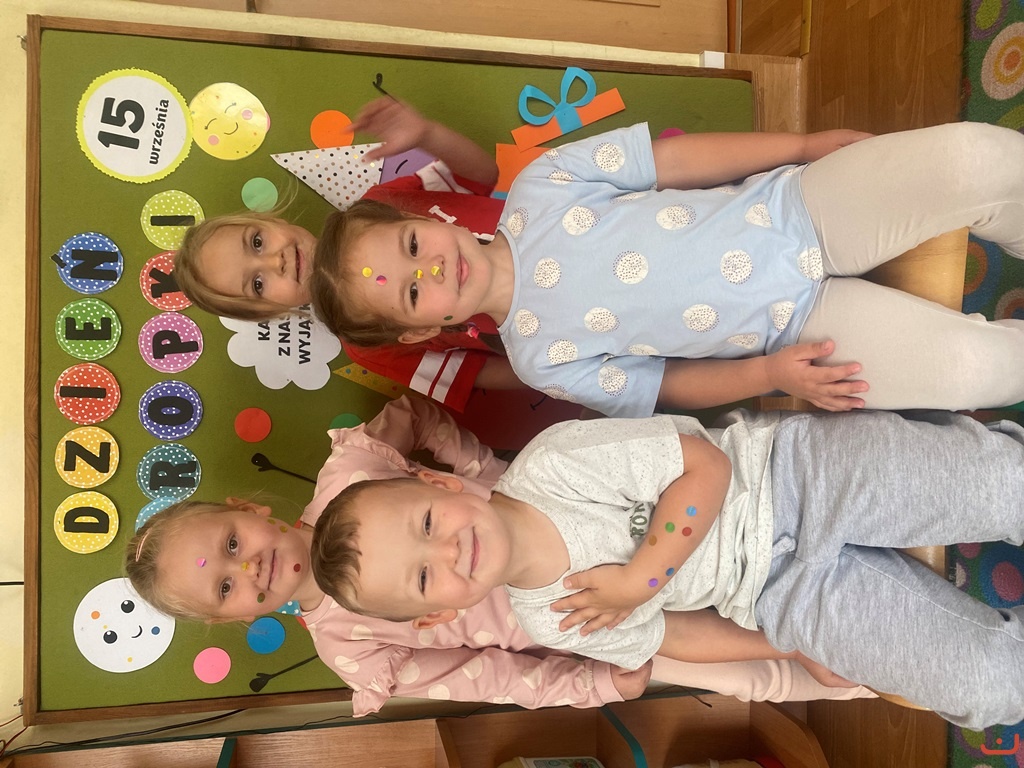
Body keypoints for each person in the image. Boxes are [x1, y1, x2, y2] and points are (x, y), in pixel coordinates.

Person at [124, 395, 868, 716]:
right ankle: (846, 666)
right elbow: (485, 677)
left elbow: (418, 417)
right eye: (225, 587)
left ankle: (841, 534)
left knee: (729, 537)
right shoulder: (348, 647)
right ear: (231, 619)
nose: (247, 568)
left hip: (572, 516)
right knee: (738, 671)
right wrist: (595, 686)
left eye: (231, 545)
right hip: (583, 622)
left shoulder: (349, 472)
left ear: (248, 510)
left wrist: (483, 469)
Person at [312, 408, 1024, 729]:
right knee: (989, 689)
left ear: (440, 485)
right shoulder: (545, 617)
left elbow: (704, 467)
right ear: (440, 616)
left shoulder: (551, 465)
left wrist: (640, 579)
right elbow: (676, 636)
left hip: (795, 478)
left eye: (427, 525)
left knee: (1002, 487)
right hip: (780, 594)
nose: (447, 551)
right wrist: (793, 648)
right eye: (425, 578)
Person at [309, 121, 1024, 416]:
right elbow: (669, 384)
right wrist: (772, 376)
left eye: (412, 248)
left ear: (427, 218)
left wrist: (803, 144)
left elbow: (676, 160)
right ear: (420, 331)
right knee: (970, 372)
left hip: (799, 209)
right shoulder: (539, 360)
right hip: (797, 333)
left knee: (973, 160)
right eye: (411, 294)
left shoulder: (541, 185)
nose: (433, 272)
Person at [172, 97, 524, 413]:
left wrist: (427, 134)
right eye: (258, 284)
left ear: (271, 221)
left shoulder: (379, 208)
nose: (275, 262)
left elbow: (482, 176)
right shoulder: (368, 344)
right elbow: (475, 372)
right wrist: (543, 369)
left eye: (257, 242)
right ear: (271, 313)